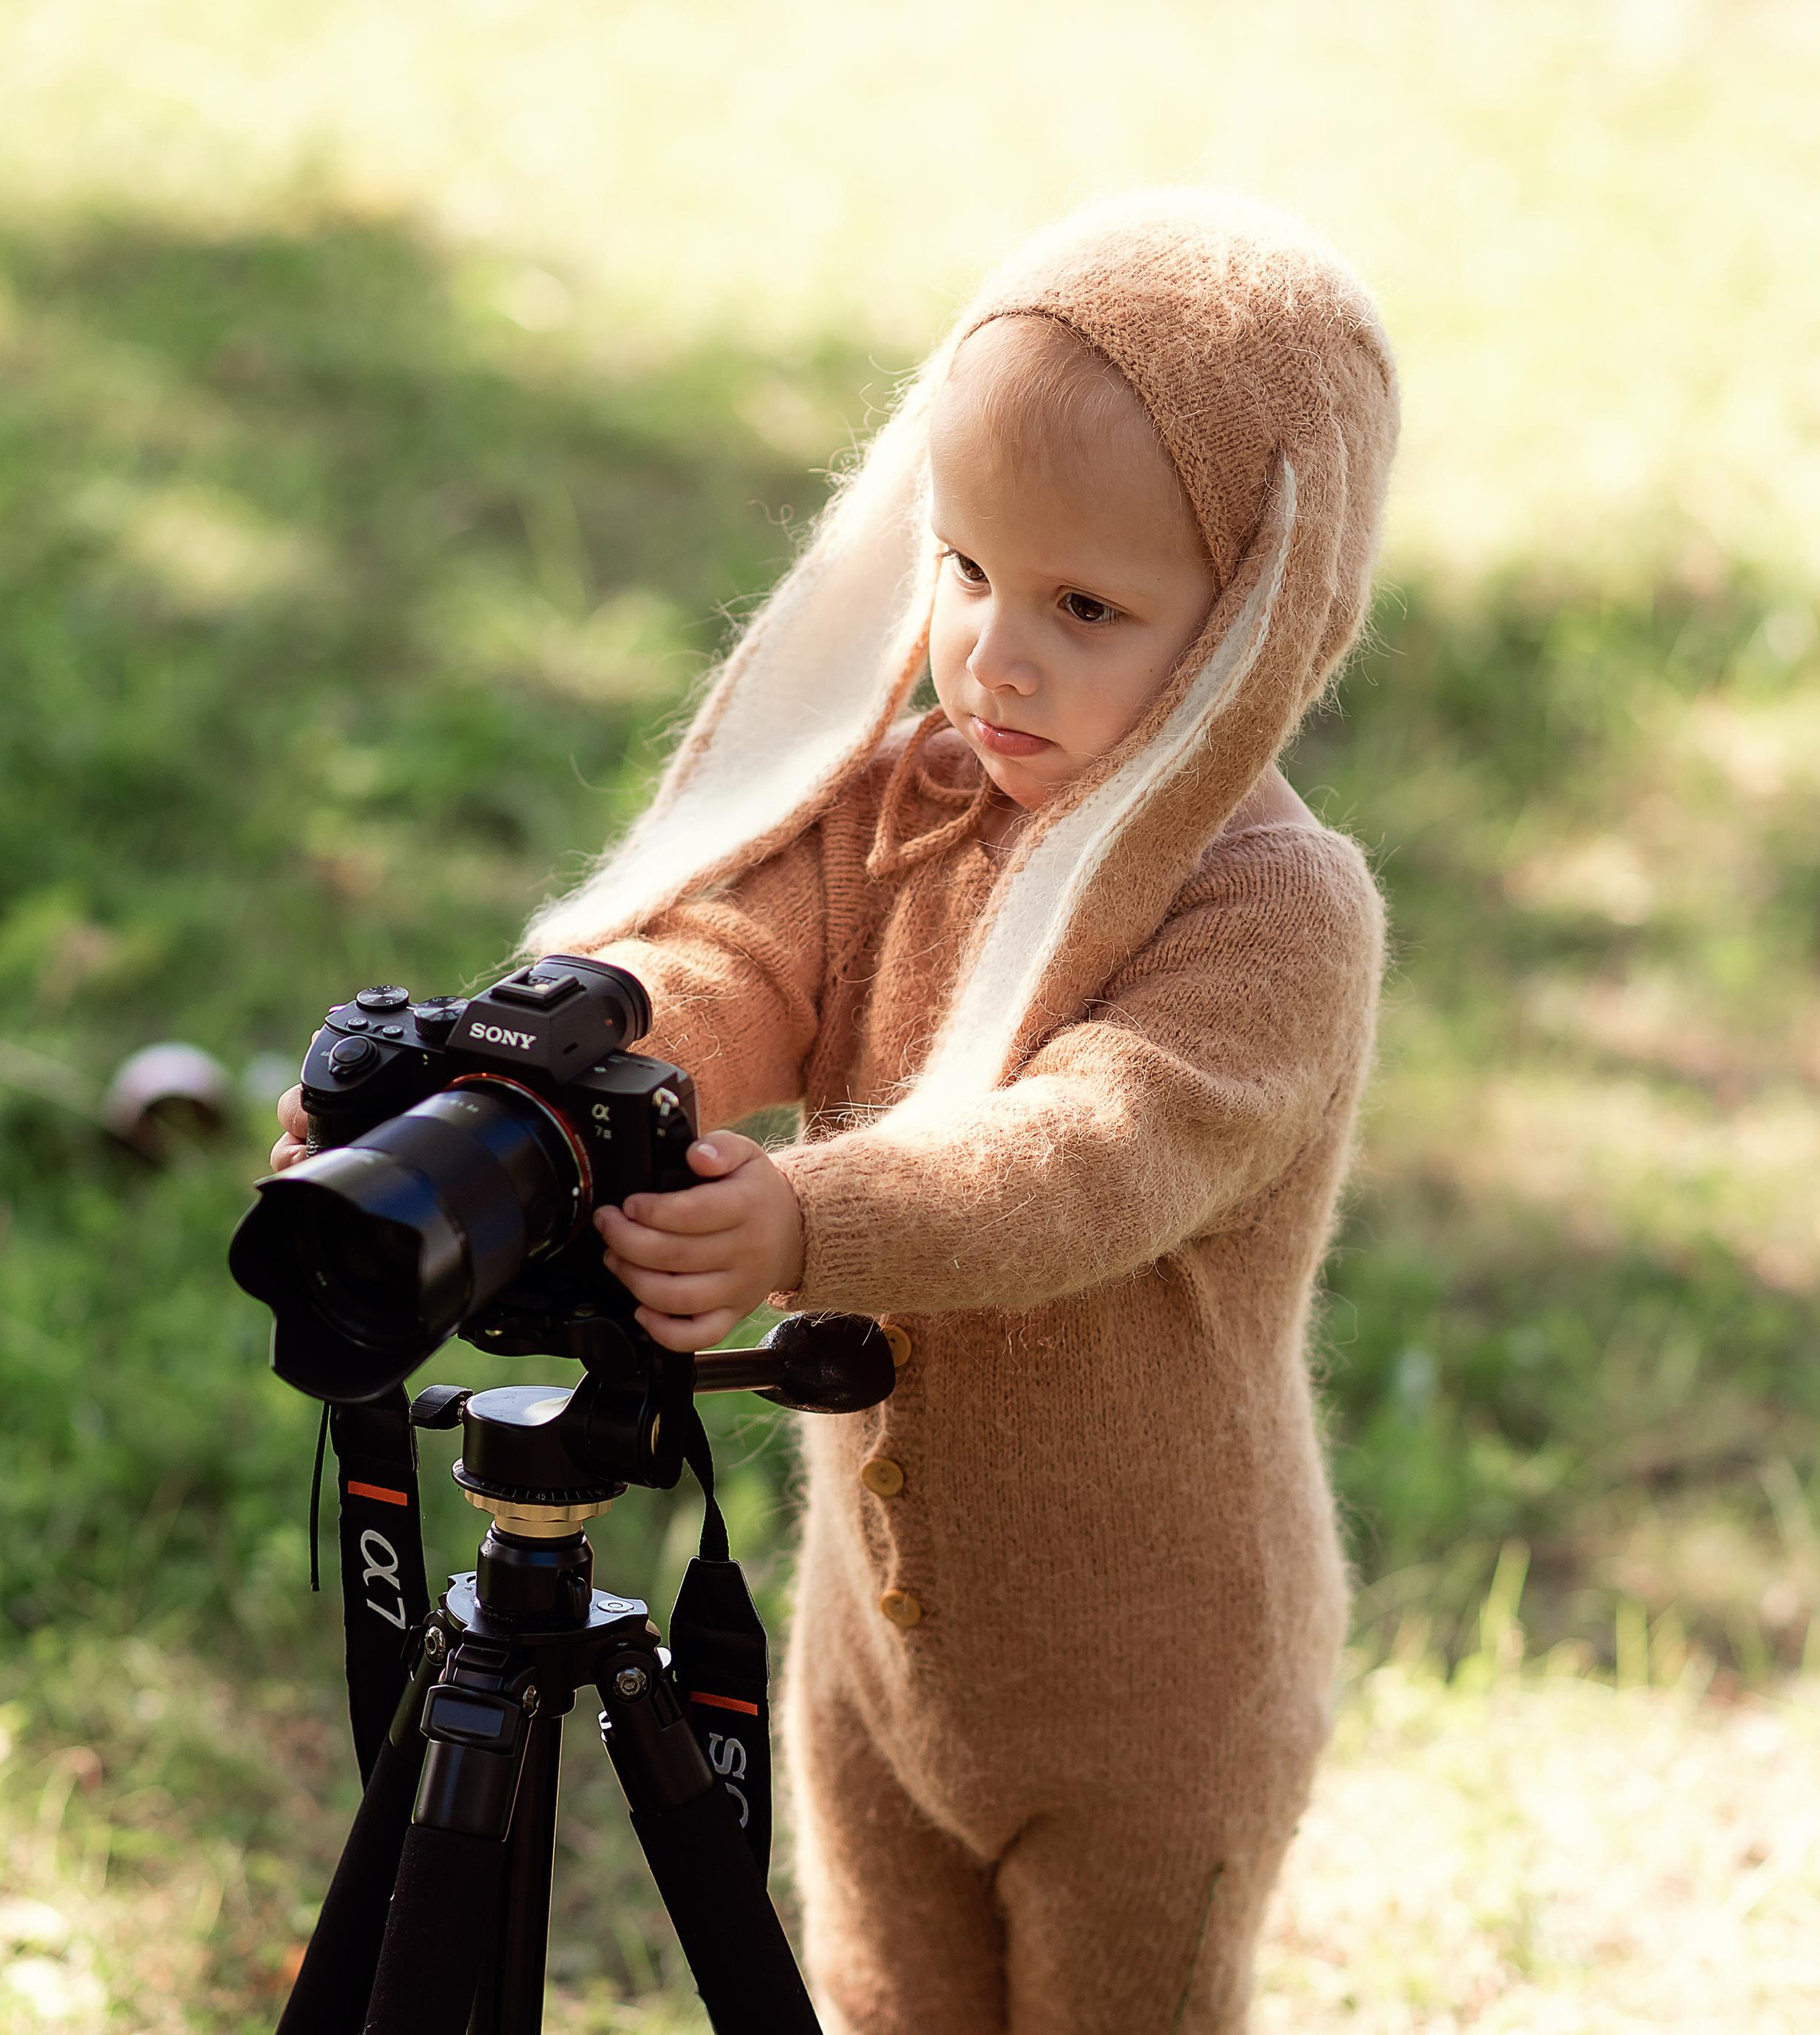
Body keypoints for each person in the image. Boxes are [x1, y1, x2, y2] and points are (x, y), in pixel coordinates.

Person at [273, 192, 1397, 2033]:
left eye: (1085, 605)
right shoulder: (907, 804)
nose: (996, 657)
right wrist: (561, 1048)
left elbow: (1094, 1150)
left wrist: (810, 1220)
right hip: (876, 1653)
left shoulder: (1266, 911)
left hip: (1153, 1685)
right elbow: (745, 959)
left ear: (1260, 618)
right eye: (964, 570)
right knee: (881, 2002)